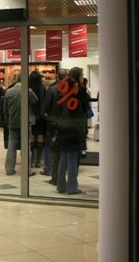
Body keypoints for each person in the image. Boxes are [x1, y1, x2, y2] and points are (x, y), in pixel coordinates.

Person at [54, 67, 90, 195]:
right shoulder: (79, 91)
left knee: (63, 157)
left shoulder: (62, 89)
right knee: (73, 158)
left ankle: (61, 185)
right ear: (79, 76)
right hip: (74, 127)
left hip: (63, 126)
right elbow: (85, 106)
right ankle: (72, 187)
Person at [3, 72, 38, 175]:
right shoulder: (28, 90)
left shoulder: (8, 92)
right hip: (26, 122)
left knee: (11, 145)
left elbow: (5, 109)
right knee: (26, 146)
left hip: (13, 121)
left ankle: (9, 169)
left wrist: (7, 122)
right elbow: (35, 101)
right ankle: (27, 170)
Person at [42, 68, 68, 178]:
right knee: (64, 144)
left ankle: (48, 168)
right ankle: (63, 167)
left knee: (48, 144)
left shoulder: (52, 89)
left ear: (57, 76)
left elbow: (46, 106)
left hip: (52, 120)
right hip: (66, 121)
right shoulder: (70, 88)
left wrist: (49, 115)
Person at [29, 71, 46, 168]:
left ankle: (31, 160)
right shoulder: (42, 89)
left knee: (31, 138)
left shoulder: (27, 88)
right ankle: (38, 161)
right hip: (40, 116)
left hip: (30, 115)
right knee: (40, 137)